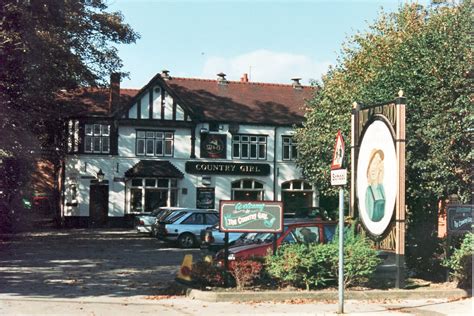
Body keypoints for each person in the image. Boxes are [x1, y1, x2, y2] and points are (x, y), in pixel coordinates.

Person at [365, 149, 385, 222]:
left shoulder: (382, 189)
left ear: (380, 168)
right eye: (372, 164)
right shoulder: (369, 191)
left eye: (376, 163)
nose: (373, 168)